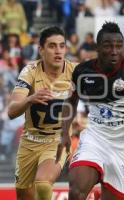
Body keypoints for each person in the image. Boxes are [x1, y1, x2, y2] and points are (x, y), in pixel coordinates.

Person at [56, 21, 124, 200]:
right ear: (98, 48)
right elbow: (71, 100)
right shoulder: (82, 72)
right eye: (108, 46)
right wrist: (64, 132)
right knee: (76, 192)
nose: (114, 51)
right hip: (96, 138)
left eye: (119, 46)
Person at [7, 26, 76, 200]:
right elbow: (11, 111)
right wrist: (30, 99)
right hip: (29, 142)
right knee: (24, 196)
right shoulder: (29, 72)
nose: (58, 51)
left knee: (43, 183)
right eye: (52, 46)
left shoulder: (76, 71)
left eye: (62, 46)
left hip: (57, 140)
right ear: (41, 50)